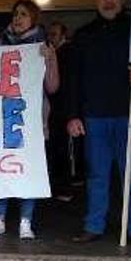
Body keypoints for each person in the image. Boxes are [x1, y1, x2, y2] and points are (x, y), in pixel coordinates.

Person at [64, 0, 131, 247]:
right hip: (94, 117)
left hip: (130, 115)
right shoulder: (83, 36)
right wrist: (72, 115)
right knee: (97, 175)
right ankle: (94, 225)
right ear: (96, 0)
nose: (108, 0)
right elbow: (72, 79)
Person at [0, 0, 59, 239]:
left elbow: (53, 87)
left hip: (33, 119)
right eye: (15, 14)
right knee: (1, 166)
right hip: (3, 117)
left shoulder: (43, 47)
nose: (18, 18)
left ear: (33, 19)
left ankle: (26, 221)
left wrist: (49, 59)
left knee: (28, 169)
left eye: (24, 14)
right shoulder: (0, 45)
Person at [46, 21, 78, 202]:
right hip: (54, 109)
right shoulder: (54, 53)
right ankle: (59, 185)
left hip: (63, 109)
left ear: (63, 35)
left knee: (62, 149)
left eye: (54, 34)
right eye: (49, 34)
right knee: (56, 148)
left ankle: (65, 187)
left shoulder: (67, 53)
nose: (51, 38)